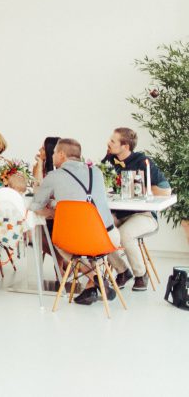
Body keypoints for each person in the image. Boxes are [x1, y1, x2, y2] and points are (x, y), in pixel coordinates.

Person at [30, 138, 120, 305]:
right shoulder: (97, 172)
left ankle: (94, 277)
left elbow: (35, 205)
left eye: (55, 153)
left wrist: (54, 212)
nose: (53, 155)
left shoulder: (54, 176)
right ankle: (92, 285)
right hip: (108, 238)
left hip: (77, 241)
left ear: (62, 155)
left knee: (57, 241)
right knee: (92, 251)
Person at [102, 127, 172, 292]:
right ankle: (122, 271)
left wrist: (138, 188)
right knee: (101, 230)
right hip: (119, 213)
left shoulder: (143, 161)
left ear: (125, 146)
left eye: (113, 141)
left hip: (144, 215)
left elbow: (166, 191)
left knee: (125, 234)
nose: (108, 143)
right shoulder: (110, 160)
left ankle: (141, 275)